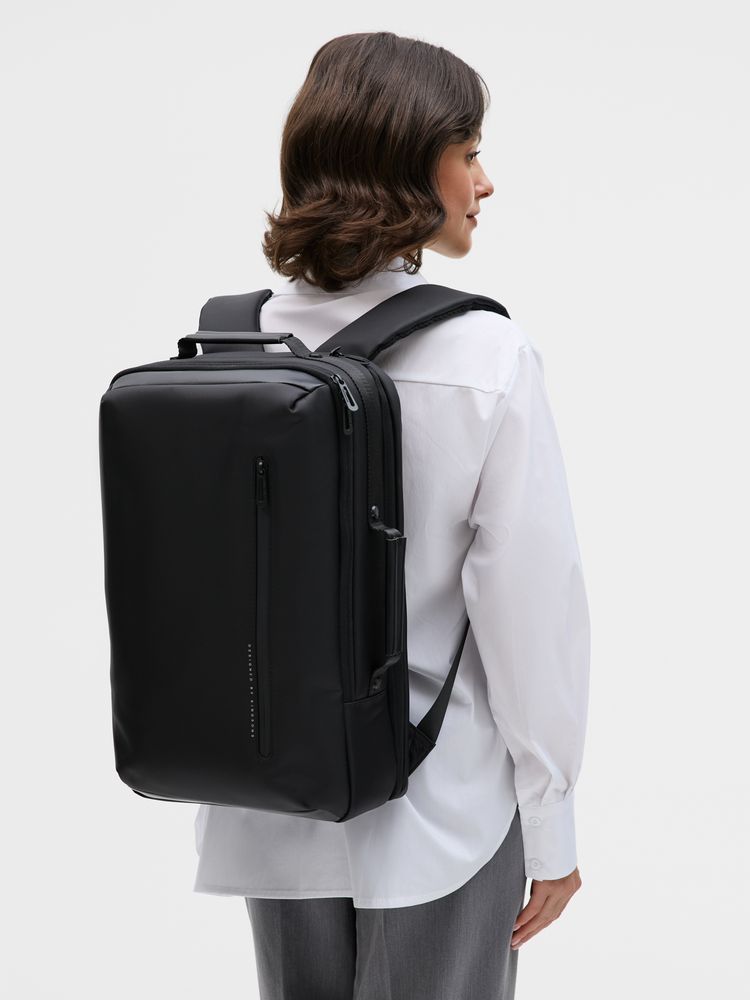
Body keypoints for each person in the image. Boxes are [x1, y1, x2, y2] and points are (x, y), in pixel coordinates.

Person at [192, 31, 590, 1000]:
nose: (485, 183)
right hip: (437, 805)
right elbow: (530, 613)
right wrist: (553, 823)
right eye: (469, 152)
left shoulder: (227, 347)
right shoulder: (485, 355)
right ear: (408, 163)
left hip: (268, 798)